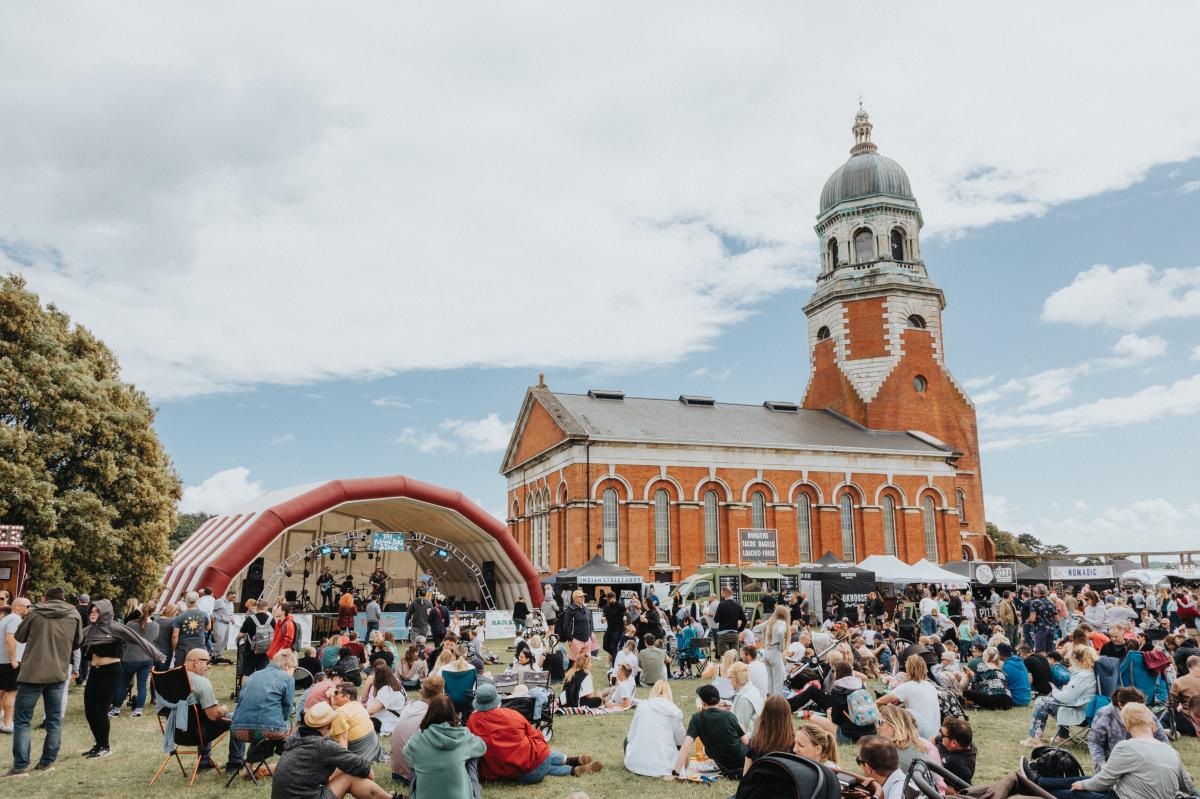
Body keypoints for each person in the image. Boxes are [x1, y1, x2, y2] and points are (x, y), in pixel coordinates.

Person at [1038, 703, 1194, 799]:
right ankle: (1039, 782)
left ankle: (1034, 787)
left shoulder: (1126, 747)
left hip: (1123, 796)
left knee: (1075, 793)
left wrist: (1083, 785)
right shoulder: (1171, 752)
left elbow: (1103, 782)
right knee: (1088, 780)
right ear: (1153, 726)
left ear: (1127, 727)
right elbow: (1187, 785)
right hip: (1128, 791)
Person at [6, 587, 82, 776]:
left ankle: (20, 765)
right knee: (54, 720)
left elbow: (19, 636)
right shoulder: (73, 614)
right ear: (63, 598)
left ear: (45, 598)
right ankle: (47, 762)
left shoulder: (35, 613)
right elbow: (78, 641)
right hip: (58, 672)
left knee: (22, 721)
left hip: (32, 672)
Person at [467, 681, 601, 783]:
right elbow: (536, 735)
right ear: (496, 700)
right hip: (534, 762)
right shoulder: (511, 714)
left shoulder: (472, 722)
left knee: (532, 762)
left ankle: (573, 769)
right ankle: (571, 760)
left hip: (512, 771)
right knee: (538, 754)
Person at [79, 599, 164, 758]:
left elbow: (139, 640)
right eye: (91, 611)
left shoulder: (115, 627)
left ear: (105, 613)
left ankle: (105, 746)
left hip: (111, 672)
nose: (93, 614)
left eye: (97, 611)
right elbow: (72, 642)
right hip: (94, 673)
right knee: (90, 711)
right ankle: (98, 744)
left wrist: (157, 654)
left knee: (100, 711)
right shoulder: (88, 630)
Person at [271, 700, 393, 799]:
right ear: (330, 724)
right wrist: (368, 773)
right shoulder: (324, 746)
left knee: (342, 769)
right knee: (349, 776)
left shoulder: (294, 741)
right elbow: (360, 765)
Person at [227, 649, 298, 774]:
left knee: (263, 730)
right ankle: (290, 767)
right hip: (268, 730)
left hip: (238, 731)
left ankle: (248, 766)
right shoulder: (286, 678)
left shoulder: (254, 675)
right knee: (293, 730)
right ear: (287, 666)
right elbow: (287, 709)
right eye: (294, 669)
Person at [403, 694, 486, 799]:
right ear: (452, 713)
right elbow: (482, 747)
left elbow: (406, 754)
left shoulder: (418, 738)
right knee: (472, 757)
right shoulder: (463, 736)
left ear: (429, 713)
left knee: (415, 763)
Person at [1022, 644, 1098, 747]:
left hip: (1080, 713)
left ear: (1077, 660)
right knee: (1057, 701)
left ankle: (1034, 739)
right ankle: (1062, 737)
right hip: (1087, 710)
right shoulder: (1092, 673)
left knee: (1042, 701)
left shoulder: (1083, 676)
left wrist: (1054, 690)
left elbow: (1065, 698)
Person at [671, 684, 748, 780]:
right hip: (744, 762)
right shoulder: (729, 716)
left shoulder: (697, 718)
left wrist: (675, 773)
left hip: (726, 768)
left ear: (703, 703)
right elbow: (747, 742)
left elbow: (685, 747)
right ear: (719, 700)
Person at [1088, 687, 1170, 771]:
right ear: (1120, 705)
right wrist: (1101, 764)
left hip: (1144, 764)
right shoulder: (1105, 714)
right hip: (1114, 766)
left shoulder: (1145, 713)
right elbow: (1094, 742)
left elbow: (1163, 741)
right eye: (1134, 708)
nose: (1139, 711)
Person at [180, 647, 232, 770]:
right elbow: (213, 715)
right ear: (196, 662)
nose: (209, 667)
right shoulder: (201, 682)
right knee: (238, 717)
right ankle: (235, 763)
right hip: (196, 733)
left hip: (175, 732)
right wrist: (224, 709)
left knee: (200, 715)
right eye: (207, 662)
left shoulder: (170, 679)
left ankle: (204, 761)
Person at [109, 601, 160, 718]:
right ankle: (138, 711)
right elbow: (154, 640)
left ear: (142, 610)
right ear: (154, 612)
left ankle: (116, 710)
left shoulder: (131, 624)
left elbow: (122, 637)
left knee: (123, 684)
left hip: (130, 658)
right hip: (147, 658)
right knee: (142, 686)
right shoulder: (156, 626)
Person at [624, 679, 684, 776]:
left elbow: (630, 736)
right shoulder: (674, 710)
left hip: (636, 764)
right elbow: (681, 741)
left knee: (626, 741)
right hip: (663, 764)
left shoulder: (642, 706)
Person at [390, 675, 441, 784]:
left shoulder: (409, 707)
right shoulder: (432, 714)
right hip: (415, 775)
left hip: (396, 771)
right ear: (440, 694)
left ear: (421, 692)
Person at [876, 654, 940, 740]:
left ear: (908, 669)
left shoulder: (907, 686)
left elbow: (879, 702)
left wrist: (882, 718)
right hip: (935, 733)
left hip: (919, 734)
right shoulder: (930, 685)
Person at [0, 597, 31, 734]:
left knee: (2, 692)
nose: (29, 609)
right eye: (27, 606)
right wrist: (13, 659)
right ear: (18, 607)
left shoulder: (6, 619)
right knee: (11, 692)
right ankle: (7, 724)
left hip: (3, 661)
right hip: (10, 662)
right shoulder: (15, 619)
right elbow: (9, 639)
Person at [742, 695, 795, 773]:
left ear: (764, 716)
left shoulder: (754, 743)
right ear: (787, 718)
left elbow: (745, 777)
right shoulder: (795, 746)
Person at [330, 682, 381, 762]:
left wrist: (343, 762)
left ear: (347, 696)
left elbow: (343, 740)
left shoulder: (341, 713)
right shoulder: (358, 705)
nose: (333, 695)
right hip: (372, 749)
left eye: (336, 693)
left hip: (357, 752)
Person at [171, 591, 211, 670]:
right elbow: (208, 628)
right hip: (200, 647)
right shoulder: (204, 614)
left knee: (181, 671)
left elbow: (175, 636)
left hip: (183, 649)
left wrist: (175, 648)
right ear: (197, 601)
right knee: (199, 670)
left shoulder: (179, 617)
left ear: (185, 601)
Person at [364, 664, 406, 736]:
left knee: (359, 723)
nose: (373, 678)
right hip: (396, 720)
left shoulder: (386, 689)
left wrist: (358, 714)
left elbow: (372, 710)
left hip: (386, 721)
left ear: (379, 677)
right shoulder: (397, 685)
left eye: (374, 675)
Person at [935, 718, 977, 785]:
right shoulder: (966, 744)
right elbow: (934, 739)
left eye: (942, 734)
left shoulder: (958, 765)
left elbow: (958, 792)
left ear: (954, 742)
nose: (940, 735)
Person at [729, 661, 763, 738]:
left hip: (747, 740)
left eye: (730, 677)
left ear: (735, 679)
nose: (729, 680)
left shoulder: (744, 699)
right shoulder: (751, 688)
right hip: (752, 735)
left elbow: (739, 727)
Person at [239, 599, 274, 674]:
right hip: (266, 650)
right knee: (262, 672)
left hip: (251, 650)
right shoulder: (271, 619)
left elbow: (241, 634)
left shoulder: (250, 619)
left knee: (247, 673)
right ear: (267, 608)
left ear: (256, 608)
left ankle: (247, 686)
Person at [760, 605, 789, 696]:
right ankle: (777, 703)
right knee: (778, 682)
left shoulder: (769, 622)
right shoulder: (782, 623)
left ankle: (769, 701)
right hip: (775, 651)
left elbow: (756, 629)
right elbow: (780, 632)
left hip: (766, 651)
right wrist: (781, 647)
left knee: (770, 681)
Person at [1026, 584, 1060, 653]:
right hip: (1051, 630)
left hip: (1040, 630)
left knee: (1041, 652)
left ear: (1037, 592)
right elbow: (1057, 619)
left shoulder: (1034, 602)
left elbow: (1032, 618)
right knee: (1050, 653)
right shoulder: (1051, 603)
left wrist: (1027, 621)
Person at [713, 587, 746, 657]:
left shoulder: (721, 605)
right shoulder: (738, 605)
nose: (721, 594)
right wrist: (739, 630)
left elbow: (716, 620)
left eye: (721, 592)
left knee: (724, 657)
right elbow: (745, 620)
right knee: (734, 657)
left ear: (725, 593)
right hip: (734, 634)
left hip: (723, 635)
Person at [562, 590, 593, 661]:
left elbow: (590, 623)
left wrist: (589, 636)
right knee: (573, 663)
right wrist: (571, 640)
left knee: (586, 663)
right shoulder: (571, 610)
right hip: (576, 640)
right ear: (575, 598)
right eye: (580, 596)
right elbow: (565, 627)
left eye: (583, 596)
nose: (583, 598)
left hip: (587, 640)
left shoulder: (586, 609)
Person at [998, 642, 1032, 707]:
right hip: (1026, 699)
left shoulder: (1006, 667)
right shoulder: (1020, 663)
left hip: (1016, 700)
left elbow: (1000, 686)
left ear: (1000, 654)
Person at [211, 591, 237, 661]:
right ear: (228, 595)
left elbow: (230, 613)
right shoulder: (220, 601)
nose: (234, 598)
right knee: (220, 639)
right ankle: (213, 655)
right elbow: (211, 609)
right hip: (219, 622)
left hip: (227, 623)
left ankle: (219, 655)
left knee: (225, 640)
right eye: (233, 597)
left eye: (235, 597)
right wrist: (213, 618)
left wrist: (232, 619)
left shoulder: (231, 603)